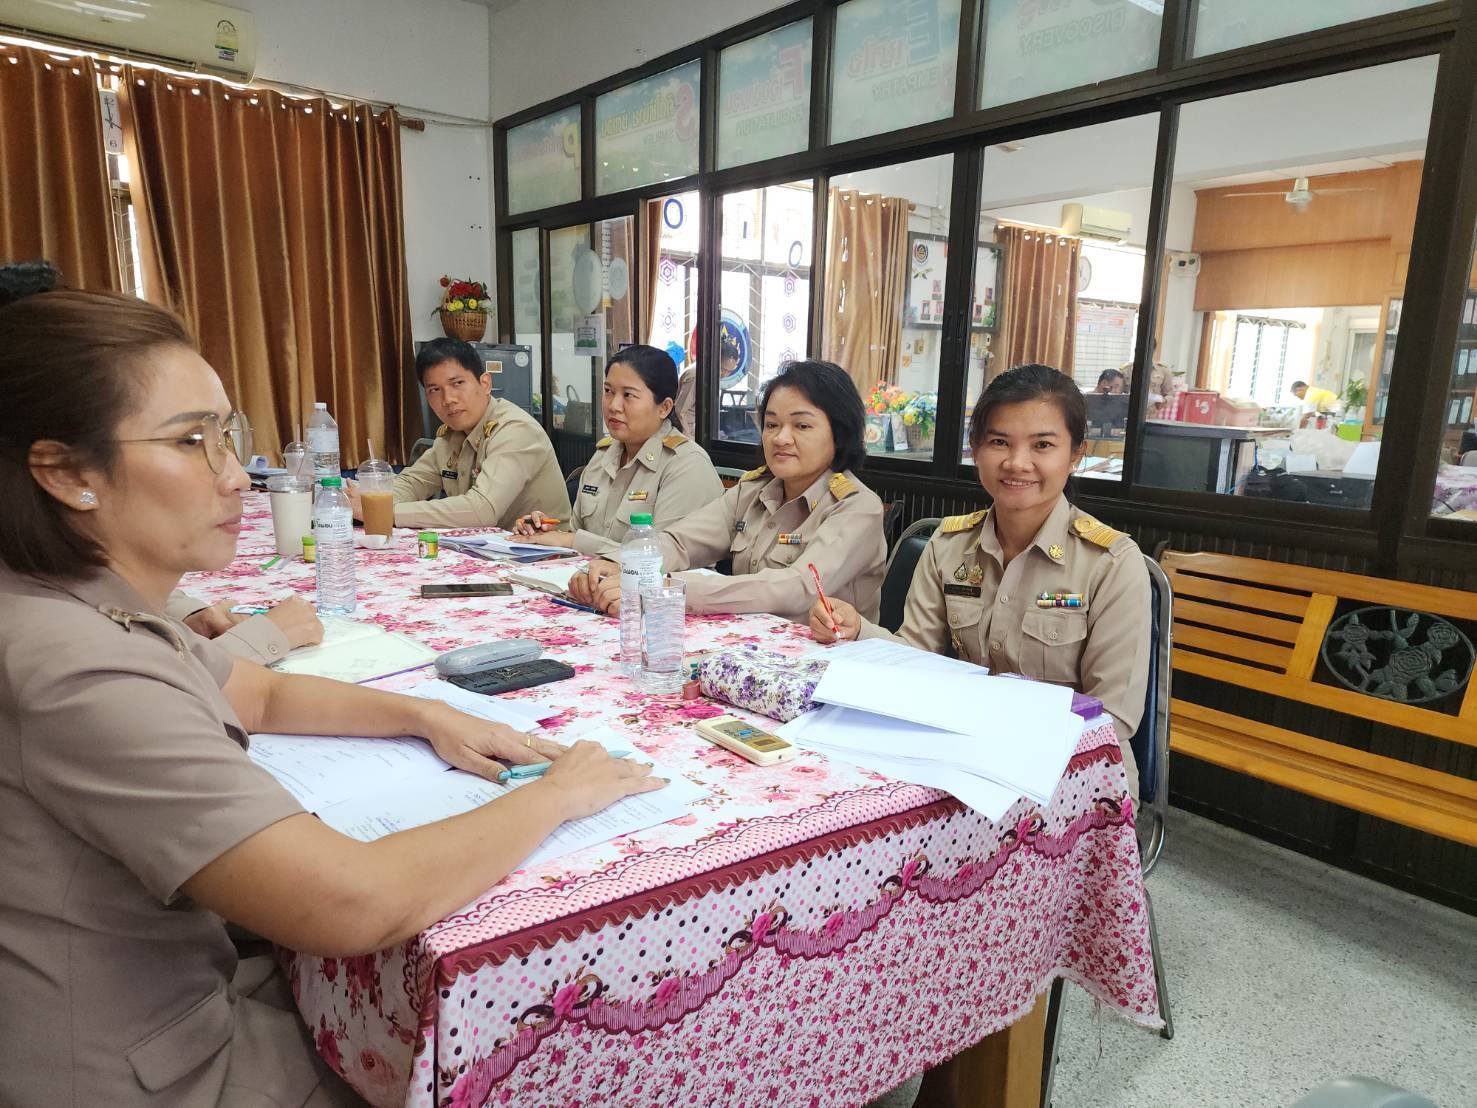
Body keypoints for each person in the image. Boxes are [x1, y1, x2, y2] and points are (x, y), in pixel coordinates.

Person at [0, 290, 661, 1106]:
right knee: (529, 1049)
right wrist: (557, 795)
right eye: (191, 442)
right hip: (145, 1067)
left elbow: (263, 696)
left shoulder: (68, 602)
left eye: (226, 435)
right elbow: (353, 904)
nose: (237, 475)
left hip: (151, 998)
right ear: (67, 473)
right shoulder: (76, 665)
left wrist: (427, 714)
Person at [808, 363, 1151, 792]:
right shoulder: (948, 546)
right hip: (959, 765)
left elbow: (1110, 717)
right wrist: (858, 629)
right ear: (976, 448)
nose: (1016, 463)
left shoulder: (1111, 563)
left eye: (1042, 444)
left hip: (1069, 778)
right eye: (999, 442)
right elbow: (918, 659)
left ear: (1076, 453)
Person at [0, 259, 323, 667]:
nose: (237, 478)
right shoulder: (47, 629)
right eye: (188, 441)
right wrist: (264, 638)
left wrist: (181, 611)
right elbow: (122, 679)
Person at [572, 359, 886, 622]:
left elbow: (796, 588)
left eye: (802, 426)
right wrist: (620, 563)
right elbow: (681, 543)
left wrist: (664, 587)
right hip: (749, 653)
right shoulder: (754, 491)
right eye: (772, 424)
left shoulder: (857, 508)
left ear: (840, 434)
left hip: (828, 669)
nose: (780, 438)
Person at [512, 345, 722, 556]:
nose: (614, 405)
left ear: (664, 408)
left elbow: (657, 557)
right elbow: (574, 533)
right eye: (608, 391)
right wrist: (545, 532)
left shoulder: (686, 466)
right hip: (591, 581)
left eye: (628, 395)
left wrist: (572, 540)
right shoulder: (602, 456)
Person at [351, 337, 570, 529]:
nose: (448, 399)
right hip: (492, 554)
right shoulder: (452, 435)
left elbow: (482, 510)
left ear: (485, 383)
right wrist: (371, 501)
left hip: (545, 558)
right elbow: (412, 482)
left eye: (457, 383)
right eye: (435, 390)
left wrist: (385, 513)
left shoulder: (515, 430)